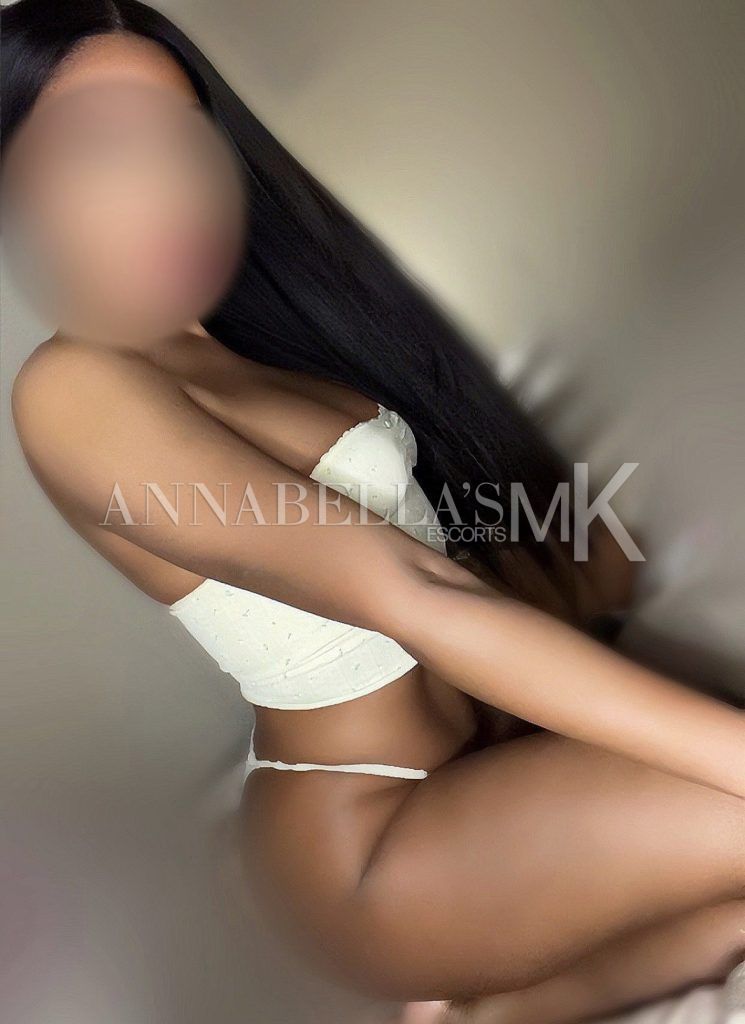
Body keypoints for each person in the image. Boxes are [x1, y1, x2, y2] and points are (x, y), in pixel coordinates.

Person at [3, 3, 744, 1022]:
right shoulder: (72, 388)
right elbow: (412, 589)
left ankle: (499, 1009)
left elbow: (456, 540)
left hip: (480, 770)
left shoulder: (237, 338)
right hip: (372, 846)